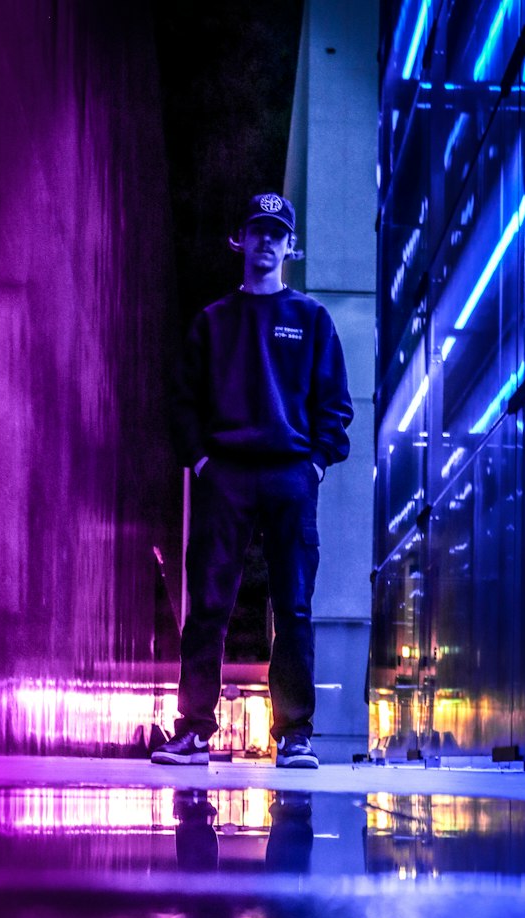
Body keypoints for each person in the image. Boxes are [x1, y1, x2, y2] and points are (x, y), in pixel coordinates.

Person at [152, 192, 353, 769]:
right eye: (256, 230)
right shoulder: (213, 323)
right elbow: (183, 402)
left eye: (277, 232)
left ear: (291, 245)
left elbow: (335, 404)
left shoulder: (312, 319)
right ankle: (194, 731)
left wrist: (316, 461)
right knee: (209, 604)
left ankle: (294, 736)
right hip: (227, 476)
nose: (266, 241)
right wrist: (202, 461)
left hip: (292, 474)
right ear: (240, 239)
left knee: (294, 607)